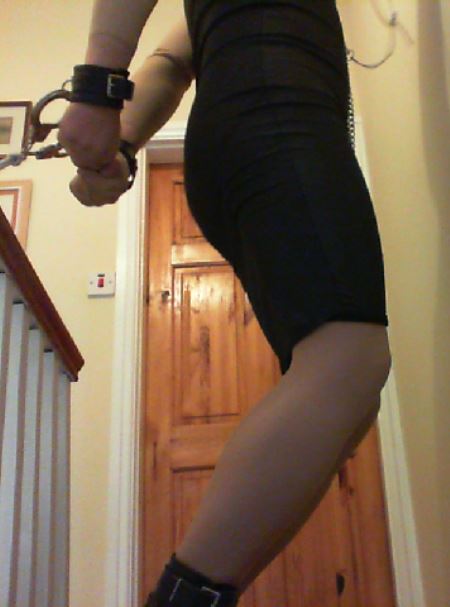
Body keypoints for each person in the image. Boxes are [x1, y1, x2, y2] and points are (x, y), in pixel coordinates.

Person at [58, 1, 392, 606]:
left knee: (347, 401)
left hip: (248, 135)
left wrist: (124, 144)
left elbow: (172, 58)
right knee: (348, 363)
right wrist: (96, 88)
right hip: (276, 116)